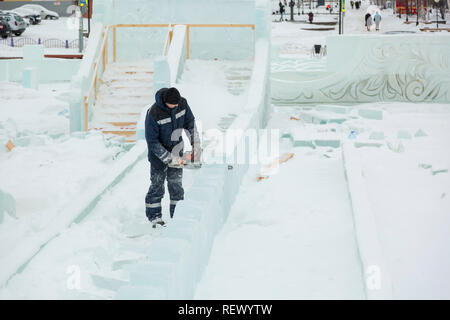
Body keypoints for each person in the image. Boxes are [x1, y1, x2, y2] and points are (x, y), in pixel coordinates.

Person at [144, 87, 200, 228]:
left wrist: (196, 145)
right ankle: (155, 217)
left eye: (177, 104)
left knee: (176, 185)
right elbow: (152, 142)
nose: (175, 107)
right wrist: (168, 159)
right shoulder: (154, 113)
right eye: (172, 105)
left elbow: (190, 124)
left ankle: (177, 216)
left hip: (177, 149)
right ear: (165, 102)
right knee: (157, 184)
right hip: (158, 155)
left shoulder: (182, 104)